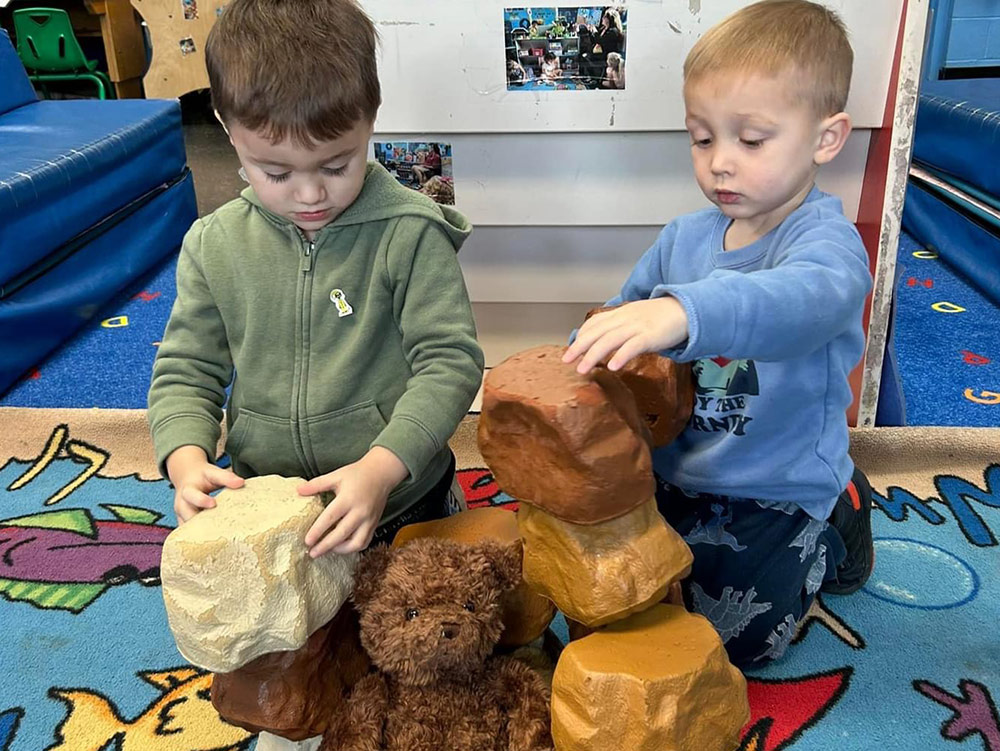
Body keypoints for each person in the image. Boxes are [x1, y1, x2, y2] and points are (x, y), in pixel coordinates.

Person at [562, 0, 874, 668]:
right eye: (702, 139)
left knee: (739, 643)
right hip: (678, 472)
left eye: (751, 140)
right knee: (616, 596)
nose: (720, 163)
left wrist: (685, 315)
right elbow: (621, 318)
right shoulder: (683, 238)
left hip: (776, 484)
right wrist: (582, 356)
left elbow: (800, 302)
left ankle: (838, 517)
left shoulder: (827, 244)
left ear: (826, 137)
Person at [148, 0, 483, 562]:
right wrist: (186, 459)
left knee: (429, 637)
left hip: (401, 497)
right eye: (276, 172)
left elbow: (450, 362)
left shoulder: (410, 233)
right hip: (270, 505)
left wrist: (383, 466)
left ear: (369, 119)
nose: (309, 196)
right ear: (228, 131)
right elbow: (187, 368)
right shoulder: (213, 244)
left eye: (336, 165)